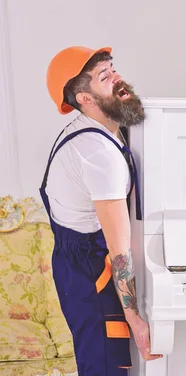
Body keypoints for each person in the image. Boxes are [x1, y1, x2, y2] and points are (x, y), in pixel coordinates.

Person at [39, 46, 162, 375]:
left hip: (84, 258)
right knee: (106, 366)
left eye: (113, 69)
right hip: (89, 268)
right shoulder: (97, 154)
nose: (117, 78)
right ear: (85, 99)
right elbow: (119, 250)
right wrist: (135, 318)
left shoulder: (107, 127)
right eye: (105, 77)